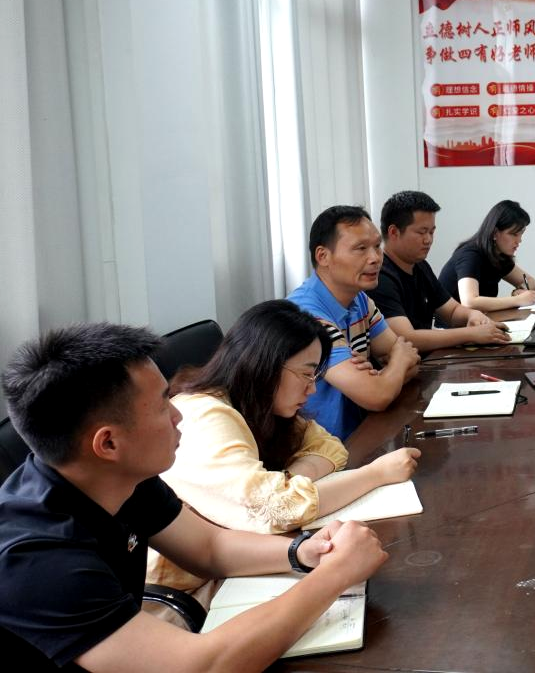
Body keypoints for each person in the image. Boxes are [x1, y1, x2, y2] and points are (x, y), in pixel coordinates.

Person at [0, 323, 391, 672]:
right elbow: (199, 666)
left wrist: (303, 552)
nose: (178, 416)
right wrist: (335, 575)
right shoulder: (36, 560)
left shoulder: (115, 477)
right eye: (161, 406)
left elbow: (209, 547)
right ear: (108, 443)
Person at [147, 301, 421, 594]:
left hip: (239, 567)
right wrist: (375, 474)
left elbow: (329, 446)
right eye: (306, 374)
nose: (312, 388)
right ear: (265, 364)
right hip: (185, 592)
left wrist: (288, 481)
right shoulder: (205, 415)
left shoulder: (260, 406)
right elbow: (276, 508)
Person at [288, 205, 421, 440]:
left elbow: (411, 361)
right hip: (319, 447)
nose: (375, 258)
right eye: (360, 249)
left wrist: (387, 373)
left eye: (377, 246)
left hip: (359, 432)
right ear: (323, 256)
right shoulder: (306, 315)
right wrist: (393, 367)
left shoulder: (359, 299)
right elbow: (377, 395)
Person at [369, 191, 511, 351]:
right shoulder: (379, 276)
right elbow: (406, 338)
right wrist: (471, 334)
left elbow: (452, 311)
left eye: (431, 232)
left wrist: (473, 315)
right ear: (394, 232)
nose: (428, 240)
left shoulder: (420, 266)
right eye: (421, 232)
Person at [438, 200, 535, 313]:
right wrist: (517, 300)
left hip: (480, 319)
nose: (519, 240)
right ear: (495, 233)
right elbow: (469, 302)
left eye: (521, 234)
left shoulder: (498, 254)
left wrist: (520, 292)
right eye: (514, 234)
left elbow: (531, 282)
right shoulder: (470, 255)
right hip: (455, 323)